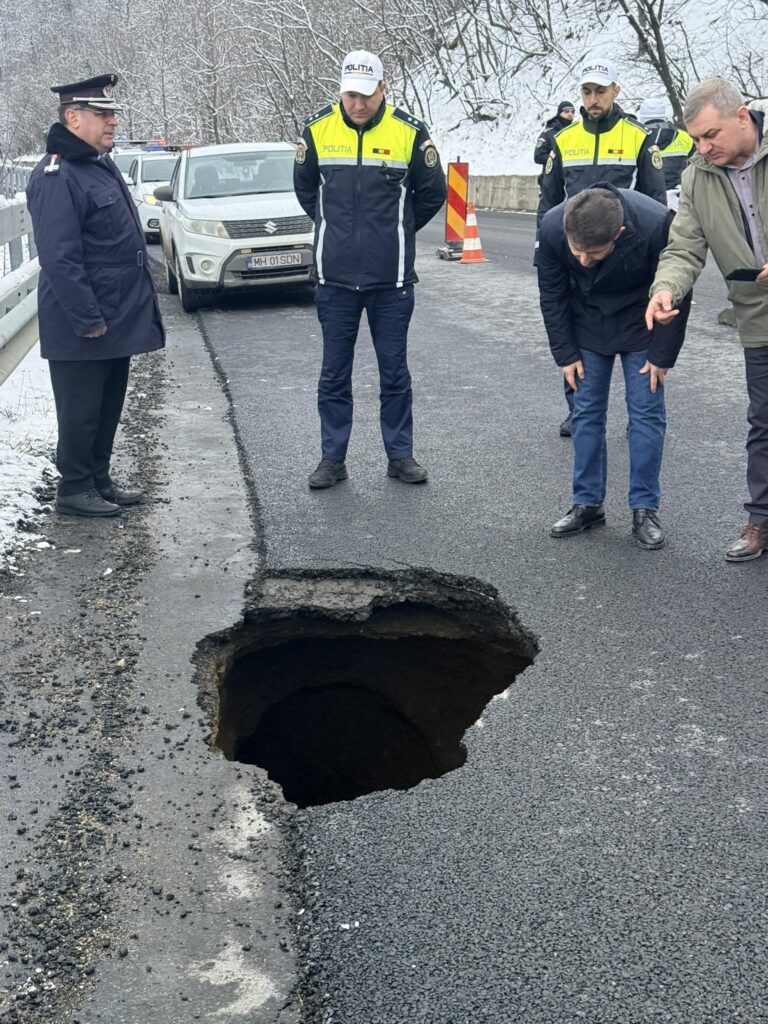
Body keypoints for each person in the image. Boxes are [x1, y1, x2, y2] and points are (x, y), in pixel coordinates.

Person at [293, 50, 447, 489]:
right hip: (335, 281)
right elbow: (307, 193)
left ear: (383, 88)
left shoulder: (411, 133)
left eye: (366, 95)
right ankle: (332, 458)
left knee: (394, 372)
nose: (357, 104)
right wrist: (335, 230)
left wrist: (394, 231)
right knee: (334, 373)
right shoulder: (317, 130)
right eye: (350, 95)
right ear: (340, 89)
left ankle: (400, 456)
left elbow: (431, 194)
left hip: (391, 282)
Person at [25, 74, 164, 518]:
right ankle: (74, 488)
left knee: (107, 405)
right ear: (72, 117)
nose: (113, 123)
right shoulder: (57, 174)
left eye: (113, 114)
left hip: (115, 314)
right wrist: (87, 319)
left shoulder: (97, 164)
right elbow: (60, 258)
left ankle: (98, 479)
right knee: (81, 409)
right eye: (102, 115)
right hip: (82, 319)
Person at [646, 78, 768, 562]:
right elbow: (684, 246)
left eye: (710, 135)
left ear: (742, 117)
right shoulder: (698, 175)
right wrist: (665, 288)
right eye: (696, 138)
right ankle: (761, 521)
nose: (703, 147)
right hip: (756, 315)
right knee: (763, 422)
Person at [538, 185, 691, 549]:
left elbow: (678, 294)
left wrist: (661, 356)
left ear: (619, 235)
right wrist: (565, 353)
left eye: (594, 252)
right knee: (586, 411)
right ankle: (587, 503)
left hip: (644, 321)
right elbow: (552, 293)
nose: (584, 260)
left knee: (646, 413)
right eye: (578, 251)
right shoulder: (552, 225)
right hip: (587, 322)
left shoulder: (655, 224)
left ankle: (644, 509)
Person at [537, 59, 668, 439]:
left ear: (616, 91)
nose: (593, 99)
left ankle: (637, 413)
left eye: (600, 91)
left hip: (624, 258)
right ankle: (576, 408)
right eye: (587, 91)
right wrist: (545, 252)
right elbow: (548, 203)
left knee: (635, 335)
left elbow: (655, 201)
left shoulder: (638, 138)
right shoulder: (563, 140)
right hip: (576, 257)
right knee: (577, 334)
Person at [636, 98, 696, 209]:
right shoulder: (685, 138)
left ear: (641, 116)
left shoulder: (635, 138)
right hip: (680, 200)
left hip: (646, 201)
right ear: (665, 115)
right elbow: (697, 169)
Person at [533, 101, 575, 182]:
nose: (570, 114)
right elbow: (538, 156)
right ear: (559, 113)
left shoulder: (575, 133)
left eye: (572, 112)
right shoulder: (548, 133)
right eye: (566, 111)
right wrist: (555, 158)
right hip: (552, 181)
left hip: (571, 180)